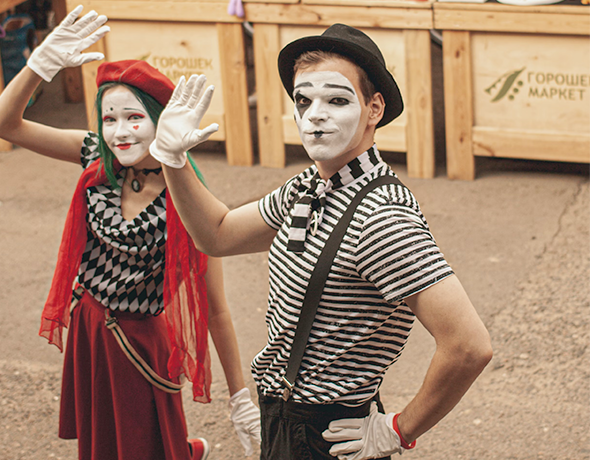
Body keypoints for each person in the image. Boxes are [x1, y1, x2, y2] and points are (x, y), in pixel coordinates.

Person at [147, 23, 493, 460]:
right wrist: (172, 160)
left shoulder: (380, 217)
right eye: (303, 100)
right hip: (287, 421)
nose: (314, 114)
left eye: (336, 99)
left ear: (374, 109)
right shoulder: (308, 187)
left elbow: (469, 345)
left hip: (326, 433)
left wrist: (400, 429)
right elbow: (216, 234)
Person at [0, 6, 260, 460]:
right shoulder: (96, 157)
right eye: (109, 118)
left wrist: (240, 396)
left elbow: (216, 310)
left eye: (133, 117)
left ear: (162, 120)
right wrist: (39, 66)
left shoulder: (187, 198)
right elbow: (2, 124)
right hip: (92, 327)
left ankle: (187, 450)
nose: (119, 132)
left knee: (145, 444)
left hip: (142, 342)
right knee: (105, 443)